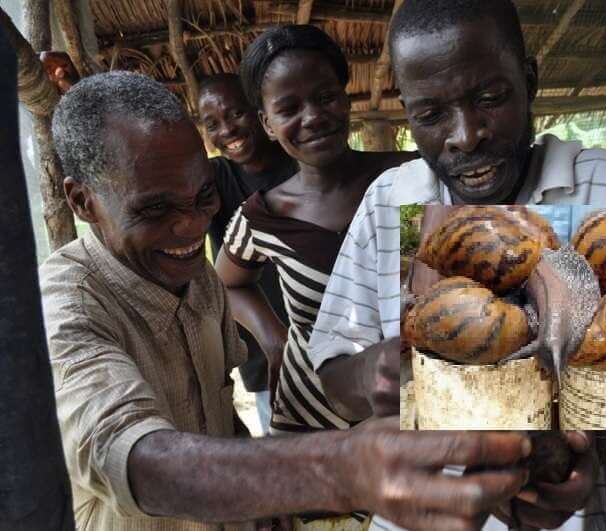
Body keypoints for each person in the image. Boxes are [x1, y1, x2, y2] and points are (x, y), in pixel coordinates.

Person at [42, 70, 537, 531]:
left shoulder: (197, 280)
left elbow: (213, 410)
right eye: (154, 208)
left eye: (203, 198)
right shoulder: (65, 309)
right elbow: (133, 457)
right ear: (82, 201)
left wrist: (262, 498)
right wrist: (340, 470)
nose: (191, 227)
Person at [307, 1, 606, 529]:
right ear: (409, 113)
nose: (465, 134)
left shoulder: (601, 185)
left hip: (561, 510)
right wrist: (374, 373)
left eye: (489, 98)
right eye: (431, 115)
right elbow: (334, 373)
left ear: (528, 82)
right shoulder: (389, 197)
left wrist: (587, 442)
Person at [215, 25, 415, 438]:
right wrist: (275, 340)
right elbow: (228, 283)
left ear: (345, 98)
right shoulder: (262, 216)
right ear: (267, 123)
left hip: (415, 413)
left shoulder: (410, 179)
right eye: (289, 108)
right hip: (311, 421)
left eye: (325, 97)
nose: (313, 117)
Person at [199, 73, 296, 432]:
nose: (227, 131)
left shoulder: (300, 166)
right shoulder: (214, 180)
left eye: (236, 114)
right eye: (213, 124)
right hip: (264, 346)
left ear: (261, 112)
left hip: (327, 336)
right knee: (286, 448)